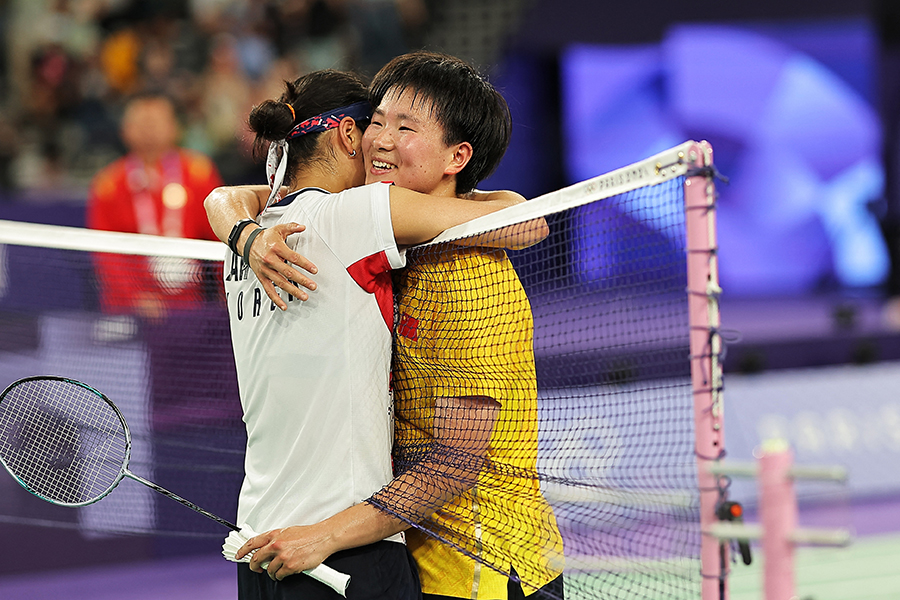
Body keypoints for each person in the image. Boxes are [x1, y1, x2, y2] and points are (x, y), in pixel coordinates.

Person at [230, 52, 564, 600]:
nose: (378, 141)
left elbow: (456, 461)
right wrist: (242, 229)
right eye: (377, 121)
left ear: (457, 156)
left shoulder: (467, 283)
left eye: (405, 128)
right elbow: (236, 196)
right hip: (409, 552)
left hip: (479, 569)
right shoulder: (386, 248)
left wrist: (323, 536)